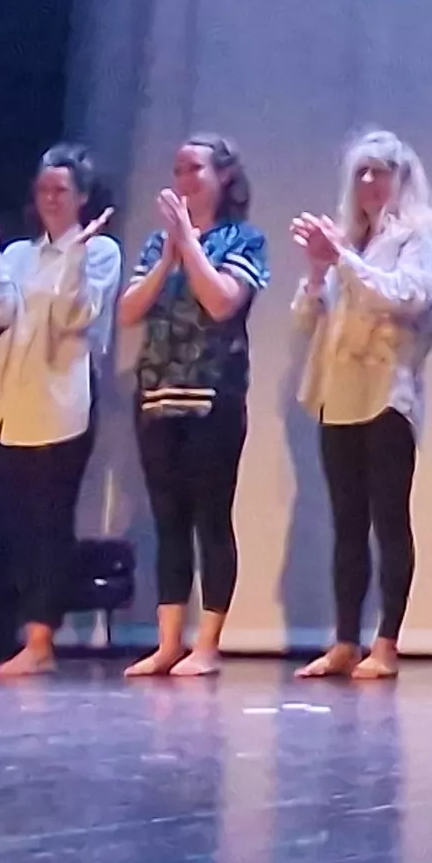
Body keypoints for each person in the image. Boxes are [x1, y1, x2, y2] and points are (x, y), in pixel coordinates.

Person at [0, 145, 125, 680]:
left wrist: (74, 257)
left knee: (50, 521)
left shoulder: (99, 251)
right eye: (44, 190)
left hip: (63, 396)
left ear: (82, 197)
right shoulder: (19, 254)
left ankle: (40, 637)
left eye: (62, 190)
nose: (51, 199)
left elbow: (75, 316)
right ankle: (26, 627)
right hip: (13, 397)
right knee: (16, 522)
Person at [291, 131, 432, 681]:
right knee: (346, 523)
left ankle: (387, 642)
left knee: (389, 519)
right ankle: (344, 640)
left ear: (401, 178)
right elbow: (306, 319)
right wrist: (318, 269)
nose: (367, 183)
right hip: (340, 393)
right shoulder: (349, 242)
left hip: (387, 392)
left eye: (378, 172)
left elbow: (404, 298)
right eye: (360, 173)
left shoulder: (420, 236)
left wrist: (343, 262)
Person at [115, 134, 269, 677]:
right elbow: (129, 311)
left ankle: (208, 643)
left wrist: (191, 246)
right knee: (168, 519)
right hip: (157, 393)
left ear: (223, 177)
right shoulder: (161, 243)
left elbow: (222, 301)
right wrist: (169, 255)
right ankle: (167, 641)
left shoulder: (244, 239)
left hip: (213, 395)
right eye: (177, 168)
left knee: (210, 517)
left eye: (194, 168)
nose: (183, 178)